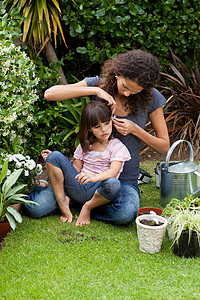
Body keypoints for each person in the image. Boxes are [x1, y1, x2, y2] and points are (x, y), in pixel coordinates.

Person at [24, 49, 170, 225]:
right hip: (85, 178)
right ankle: (74, 196)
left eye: (134, 91)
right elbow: (50, 93)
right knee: (35, 208)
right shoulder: (97, 85)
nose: (127, 94)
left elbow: (164, 147)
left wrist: (135, 130)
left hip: (121, 182)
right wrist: (96, 91)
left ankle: (84, 203)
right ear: (119, 73)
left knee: (125, 213)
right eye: (125, 86)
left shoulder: (151, 98)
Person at [24, 100, 131, 226]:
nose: (104, 129)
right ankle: (62, 201)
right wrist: (54, 161)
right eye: (97, 126)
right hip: (78, 187)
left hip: (99, 190)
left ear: (111, 121)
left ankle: (87, 207)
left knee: (114, 184)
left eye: (107, 123)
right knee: (34, 208)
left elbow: (114, 172)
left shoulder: (117, 146)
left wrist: (94, 177)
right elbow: (76, 168)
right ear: (90, 129)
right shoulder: (85, 145)